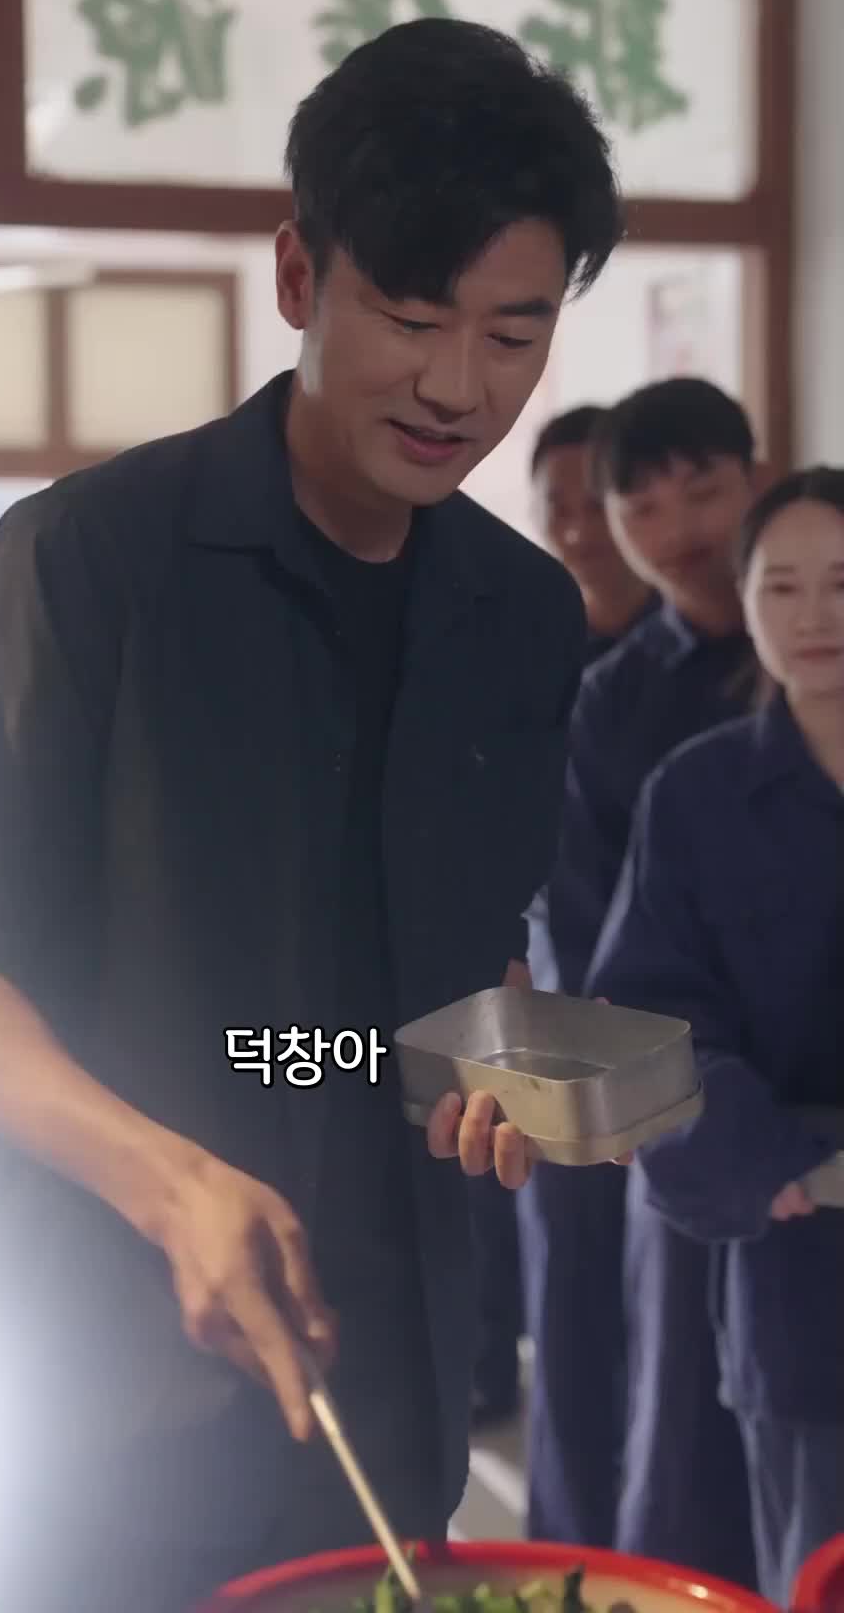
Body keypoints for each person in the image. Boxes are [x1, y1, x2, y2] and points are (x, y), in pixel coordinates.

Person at [0, 17, 623, 1613]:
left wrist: (509, 1062)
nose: (459, 387)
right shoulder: (90, 562)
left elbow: (467, 962)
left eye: (513, 334)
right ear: (299, 276)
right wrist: (172, 1183)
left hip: (395, 1373)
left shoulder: (522, 616)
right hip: (110, 1373)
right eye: (410, 318)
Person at [590, 465, 844, 1606]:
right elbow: (643, 1023)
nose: (815, 615)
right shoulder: (694, 795)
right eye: (782, 586)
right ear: (743, 603)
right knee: (815, 1557)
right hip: (797, 1253)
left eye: (842, 583)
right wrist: (766, 1160)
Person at [520, 378, 760, 1582]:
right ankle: (592, 1576)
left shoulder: (805, 662)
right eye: (643, 505)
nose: (678, 527)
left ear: (755, 479)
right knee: (625, 1367)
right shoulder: (611, 697)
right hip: (640, 1080)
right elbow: (581, 924)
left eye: (702, 489)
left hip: (793, 1078)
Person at [469, 405, 654, 1428]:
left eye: (599, 502)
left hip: (658, 998)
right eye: (560, 507)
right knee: (549, 1245)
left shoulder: (695, 659)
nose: (582, 528)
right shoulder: (525, 642)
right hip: (544, 971)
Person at [530, 404, 656, 661]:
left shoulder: (700, 618)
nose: (579, 533)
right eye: (559, 511)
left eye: (597, 507)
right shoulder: (526, 643)